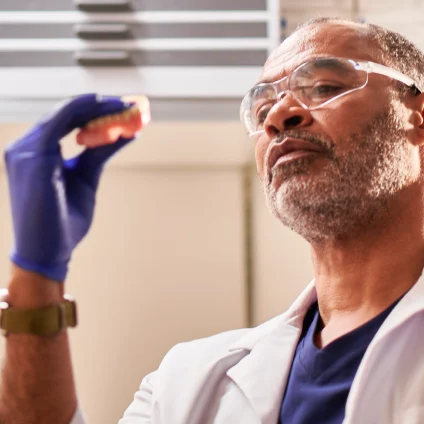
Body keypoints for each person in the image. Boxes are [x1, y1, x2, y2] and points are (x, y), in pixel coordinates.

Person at [0, 16, 424, 424]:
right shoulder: (185, 383)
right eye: (262, 111)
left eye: (324, 86)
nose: (278, 116)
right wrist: (38, 276)